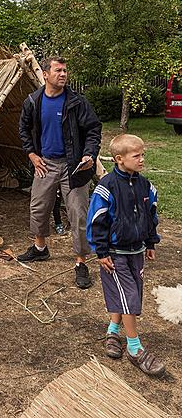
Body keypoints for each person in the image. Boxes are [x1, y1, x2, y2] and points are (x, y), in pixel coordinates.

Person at [18, 56, 101, 288]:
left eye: (65, 71)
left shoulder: (77, 102)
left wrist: (89, 155)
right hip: (45, 163)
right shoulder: (33, 101)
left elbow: (94, 129)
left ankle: (81, 262)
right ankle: (40, 248)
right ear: (45, 74)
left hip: (74, 166)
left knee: (78, 213)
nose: (63, 74)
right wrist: (32, 155)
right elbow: (23, 129)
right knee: (38, 207)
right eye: (58, 70)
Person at [86, 134, 165, 376]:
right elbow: (97, 220)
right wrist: (101, 251)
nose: (142, 159)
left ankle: (112, 331)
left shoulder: (145, 186)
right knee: (129, 297)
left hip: (137, 252)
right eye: (137, 156)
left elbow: (151, 215)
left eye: (143, 155)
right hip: (114, 253)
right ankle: (134, 348)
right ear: (119, 159)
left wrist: (151, 242)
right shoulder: (106, 187)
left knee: (130, 294)